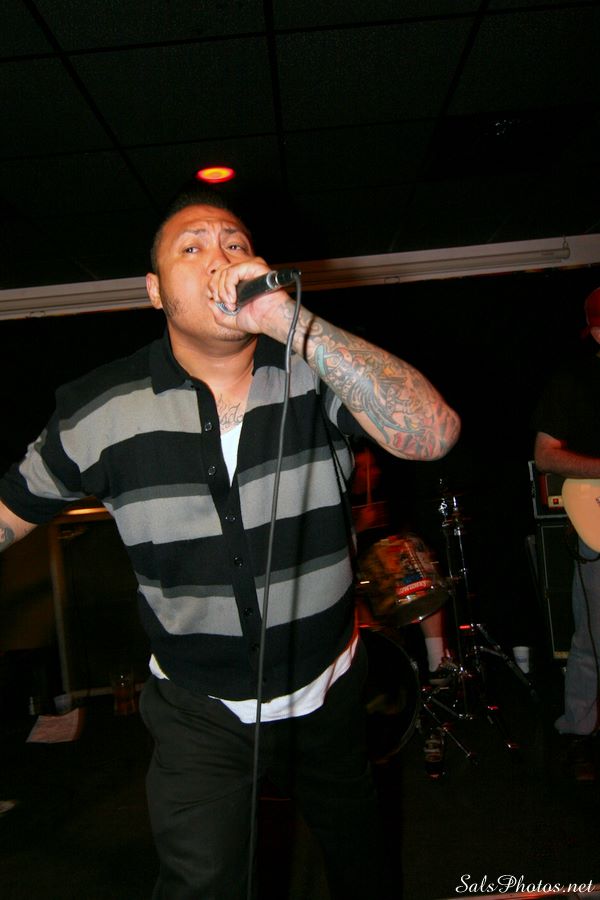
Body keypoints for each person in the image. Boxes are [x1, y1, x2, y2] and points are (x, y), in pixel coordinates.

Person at [0, 185, 460, 899]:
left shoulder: (315, 372)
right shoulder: (99, 408)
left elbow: (433, 434)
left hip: (328, 692)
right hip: (198, 711)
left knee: (362, 868)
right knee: (202, 884)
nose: (220, 258)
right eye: (192, 248)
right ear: (155, 291)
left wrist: (291, 322)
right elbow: (9, 509)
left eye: (235, 244)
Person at [532, 285, 600, 782]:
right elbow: (545, 455)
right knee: (593, 636)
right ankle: (579, 732)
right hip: (596, 518)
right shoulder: (574, 380)